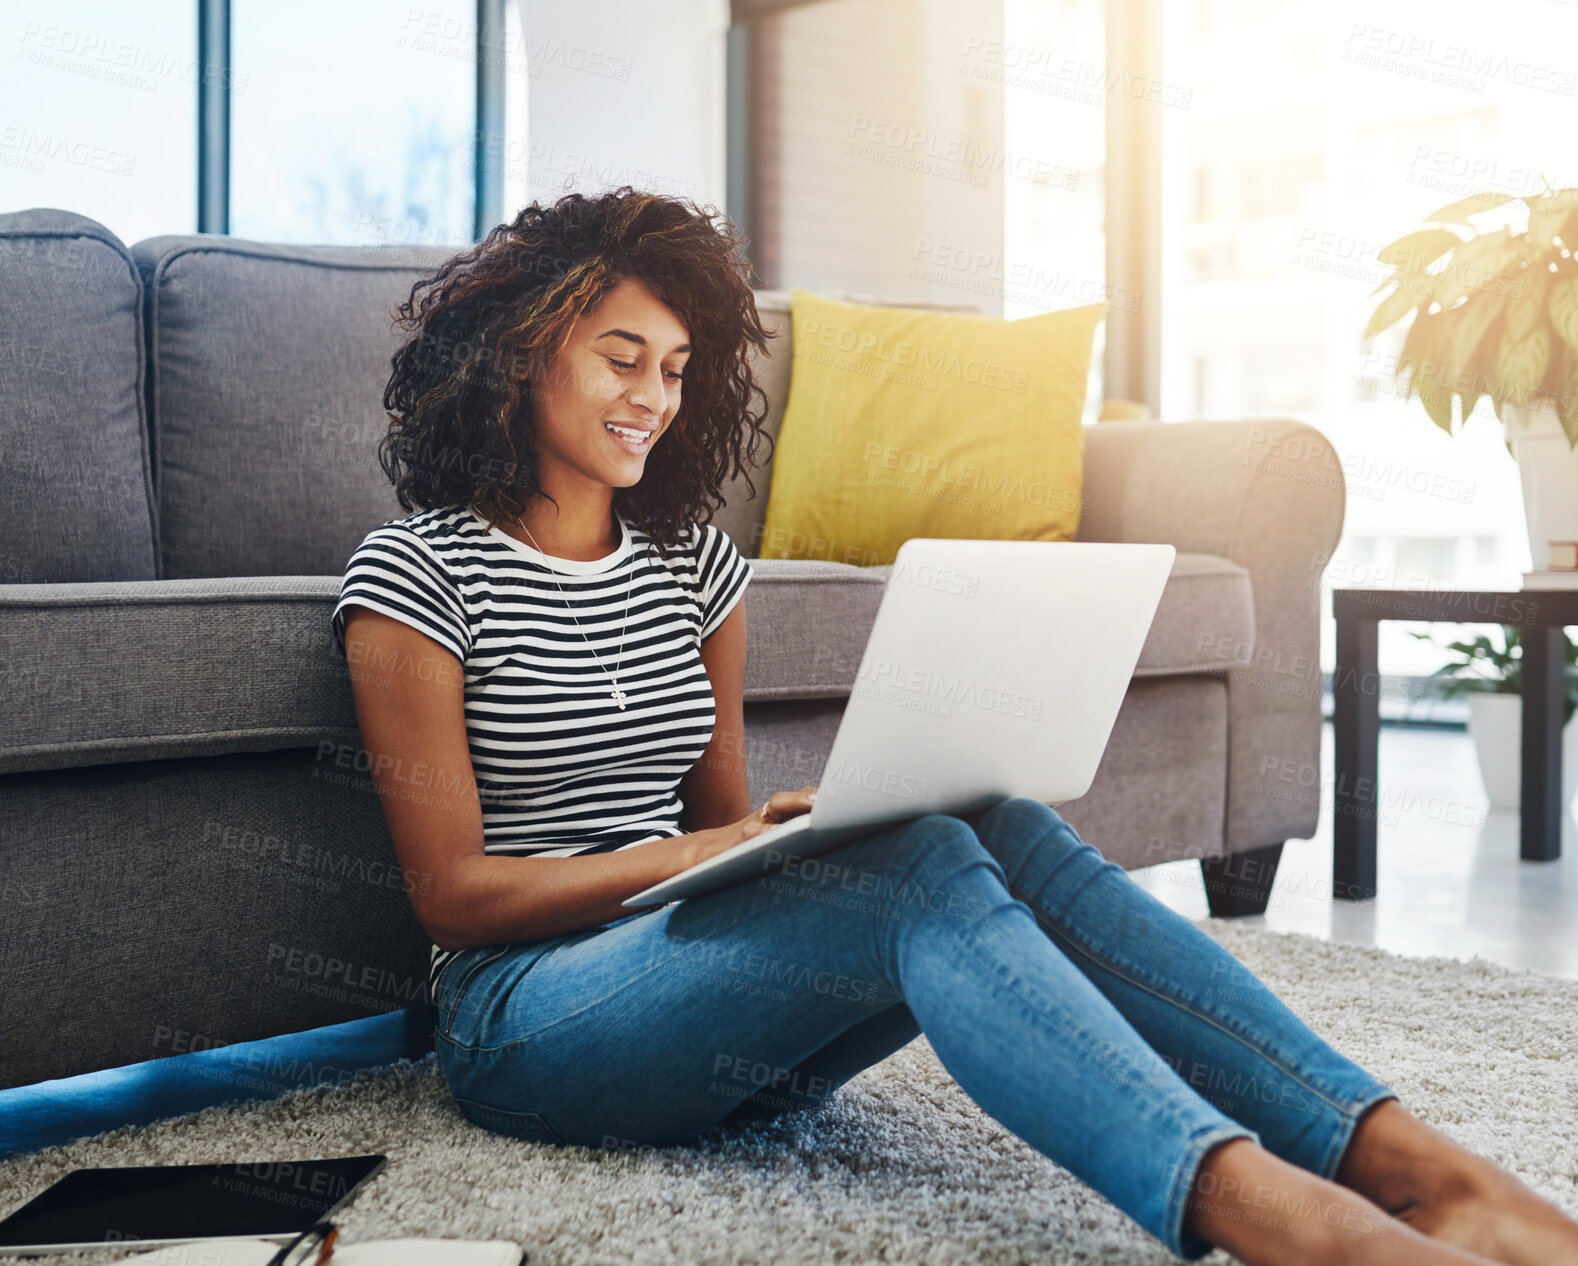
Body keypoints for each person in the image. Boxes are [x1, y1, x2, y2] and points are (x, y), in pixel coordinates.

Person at [332, 186, 1578, 1266]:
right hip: (522, 1029)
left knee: (990, 822)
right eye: (621, 358)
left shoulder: (693, 570)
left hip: (691, 1007)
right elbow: (454, 897)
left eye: (674, 368)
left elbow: (716, 825)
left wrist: (756, 845)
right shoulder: (417, 578)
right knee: (919, 871)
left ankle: (1414, 1166)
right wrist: (702, 858)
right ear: (520, 352)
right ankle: (1278, 1219)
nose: (654, 399)